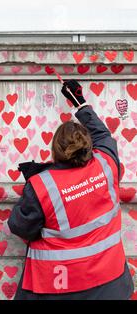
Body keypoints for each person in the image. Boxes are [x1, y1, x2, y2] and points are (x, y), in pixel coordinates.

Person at [8, 80, 135, 300]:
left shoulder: (42, 186)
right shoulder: (107, 163)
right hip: (111, 284)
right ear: (88, 146)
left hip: (61, 289)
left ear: (55, 151)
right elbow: (103, 135)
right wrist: (80, 103)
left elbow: (20, 226)